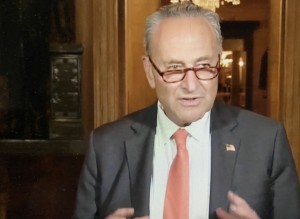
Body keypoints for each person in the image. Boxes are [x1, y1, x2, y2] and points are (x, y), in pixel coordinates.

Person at [73, 2, 300, 219]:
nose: (191, 85)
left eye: (203, 66)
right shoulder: (105, 146)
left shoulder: (267, 141)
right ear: (150, 72)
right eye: (174, 68)